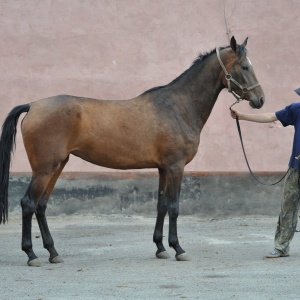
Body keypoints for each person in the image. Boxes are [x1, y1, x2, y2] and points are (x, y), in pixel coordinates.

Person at [230, 88, 300, 258]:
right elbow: (270, 116)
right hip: (295, 168)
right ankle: (281, 247)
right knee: (287, 208)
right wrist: (242, 116)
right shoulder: (296, 109)